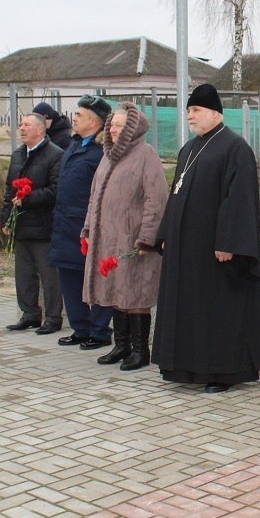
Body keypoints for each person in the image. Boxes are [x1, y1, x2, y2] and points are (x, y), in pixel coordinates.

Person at [153, 84, 260, 393]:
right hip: (186, 250)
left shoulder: (235, 148)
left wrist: (229, 242)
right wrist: (167, 233)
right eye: (188, 111)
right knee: (191, 308)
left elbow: (240, 200)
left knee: (219, 310)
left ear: (214, 113)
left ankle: (225, 371)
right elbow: (176, 194)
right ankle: (188, 366)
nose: (189, 117)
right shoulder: (189, 149)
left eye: (195, 111)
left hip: (216, 252)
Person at [81, 104, 168, 370]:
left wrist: (147, 238)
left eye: (120, 125)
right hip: (108, 238)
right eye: (112, 125)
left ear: (133, 127)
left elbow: (157, 199)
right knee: (115, 289)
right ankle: (121, 345)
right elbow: (94, 196)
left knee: (136, 293)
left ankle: (141, 350)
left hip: (133, 239)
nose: (114, 129)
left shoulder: (146, 155)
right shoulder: (107, 157)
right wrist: (87, 230)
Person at [47, 96, 115, 346]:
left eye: (79, 115)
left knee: (93, 278)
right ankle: (81, 327)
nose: (74, 119)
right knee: (70, 277)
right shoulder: (74, 146)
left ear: (94, 122)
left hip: (86, 227)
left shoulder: (101, 153)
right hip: (64, 225)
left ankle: (99, 330)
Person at [2, 113, 65, 333]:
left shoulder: (55, 155)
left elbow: (57, 190)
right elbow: (9, 189)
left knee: (49, 276)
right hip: (21, 225)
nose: (21, 128)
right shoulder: (18, 154)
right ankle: (29, 314)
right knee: (24, 273)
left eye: (26, 125)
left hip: (44, 225)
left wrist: (29, 198)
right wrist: (5, 217)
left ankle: (53, 318)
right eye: (21, 125)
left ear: (40, 130)